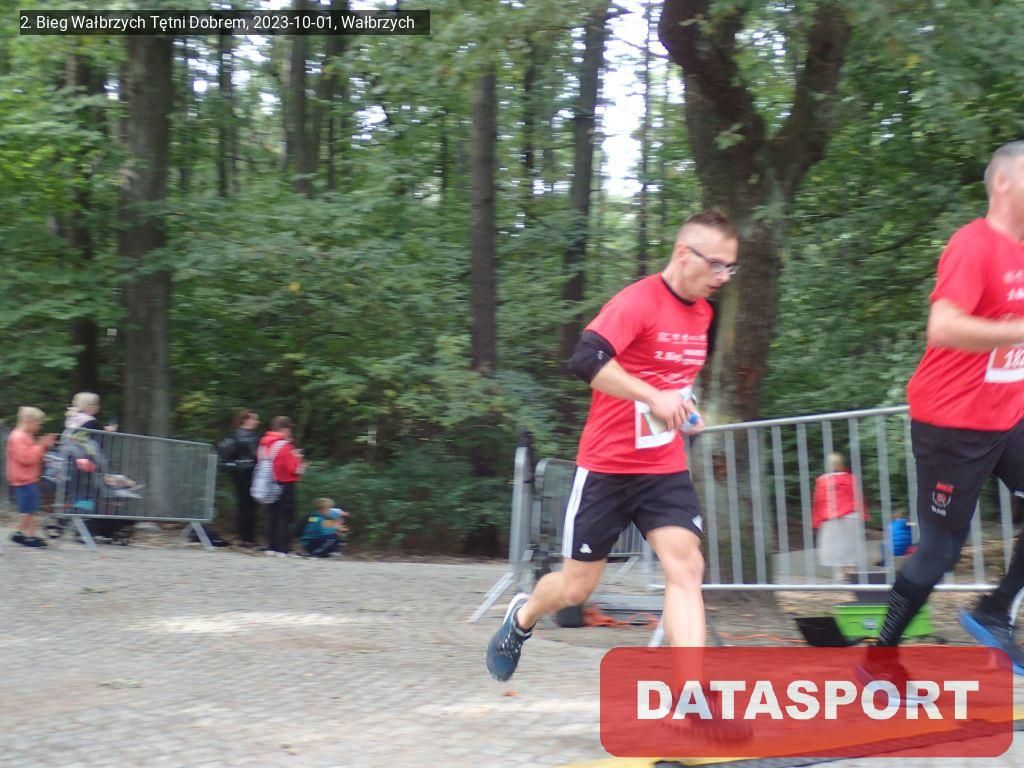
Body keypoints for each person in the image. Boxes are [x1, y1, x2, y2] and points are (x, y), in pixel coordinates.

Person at [485, 210, 738, 682]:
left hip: (663, 468)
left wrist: (684, 409)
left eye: (731, 267)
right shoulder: (638, 301)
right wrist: (653, 397)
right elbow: (586, 360)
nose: (723, 276)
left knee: (686, 570)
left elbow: (673, 378)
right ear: (684, 253)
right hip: (607, 466)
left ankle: (693, 694)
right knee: (576, 589)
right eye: (717, 264)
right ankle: (522, 616)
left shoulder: (704, 313)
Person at [865, 140, 1024, 679]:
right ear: (1002, 182)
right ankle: (879, 660)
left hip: (1008, 417)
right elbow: (945, 326)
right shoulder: (973, 244)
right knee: (941, 549)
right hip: (952, 423)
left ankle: (995, 611)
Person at [812, 452, 868, 581]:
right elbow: (859, 497)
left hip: (831, 517)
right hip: (851, 515)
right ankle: (852, 571)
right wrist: (863, 514)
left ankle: (840, 573)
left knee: (835, 544)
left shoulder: (823, 480)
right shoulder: (851, 478)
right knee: (851, 544)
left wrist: (816, 520)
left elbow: (819, 500)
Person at [7, 407, 58, 548]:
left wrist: (43, 447)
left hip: (28, 478)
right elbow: (26, 458)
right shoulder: (18, 437)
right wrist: (41, 445)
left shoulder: (25, 436)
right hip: (24, 479)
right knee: (29, 510)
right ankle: (25, 534)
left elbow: (32, 455)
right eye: (38, 423)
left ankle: (25, 534)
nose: (39, 427)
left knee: (31, 509)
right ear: (28, 421)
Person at [259, 416, 306, 557]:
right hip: (285, 484)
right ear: (284, 428)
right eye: (289, 429)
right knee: (285, 516)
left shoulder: (264, 443)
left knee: (272, 514)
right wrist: (299, 459)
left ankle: (271, 547)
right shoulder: (285, 446)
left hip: (268, 483)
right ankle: (282, 548)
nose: (290, 432)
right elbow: (294, 469)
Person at [227, 409, 260, 547]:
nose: (257, 422)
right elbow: (255, 455)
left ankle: (245, 537)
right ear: (246, 420)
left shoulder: (234, 434)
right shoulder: (249, 436)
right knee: (248, 506)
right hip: (248, 473)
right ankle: (247, 538)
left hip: (240, 474)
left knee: (244, 505)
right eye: (254, 419)